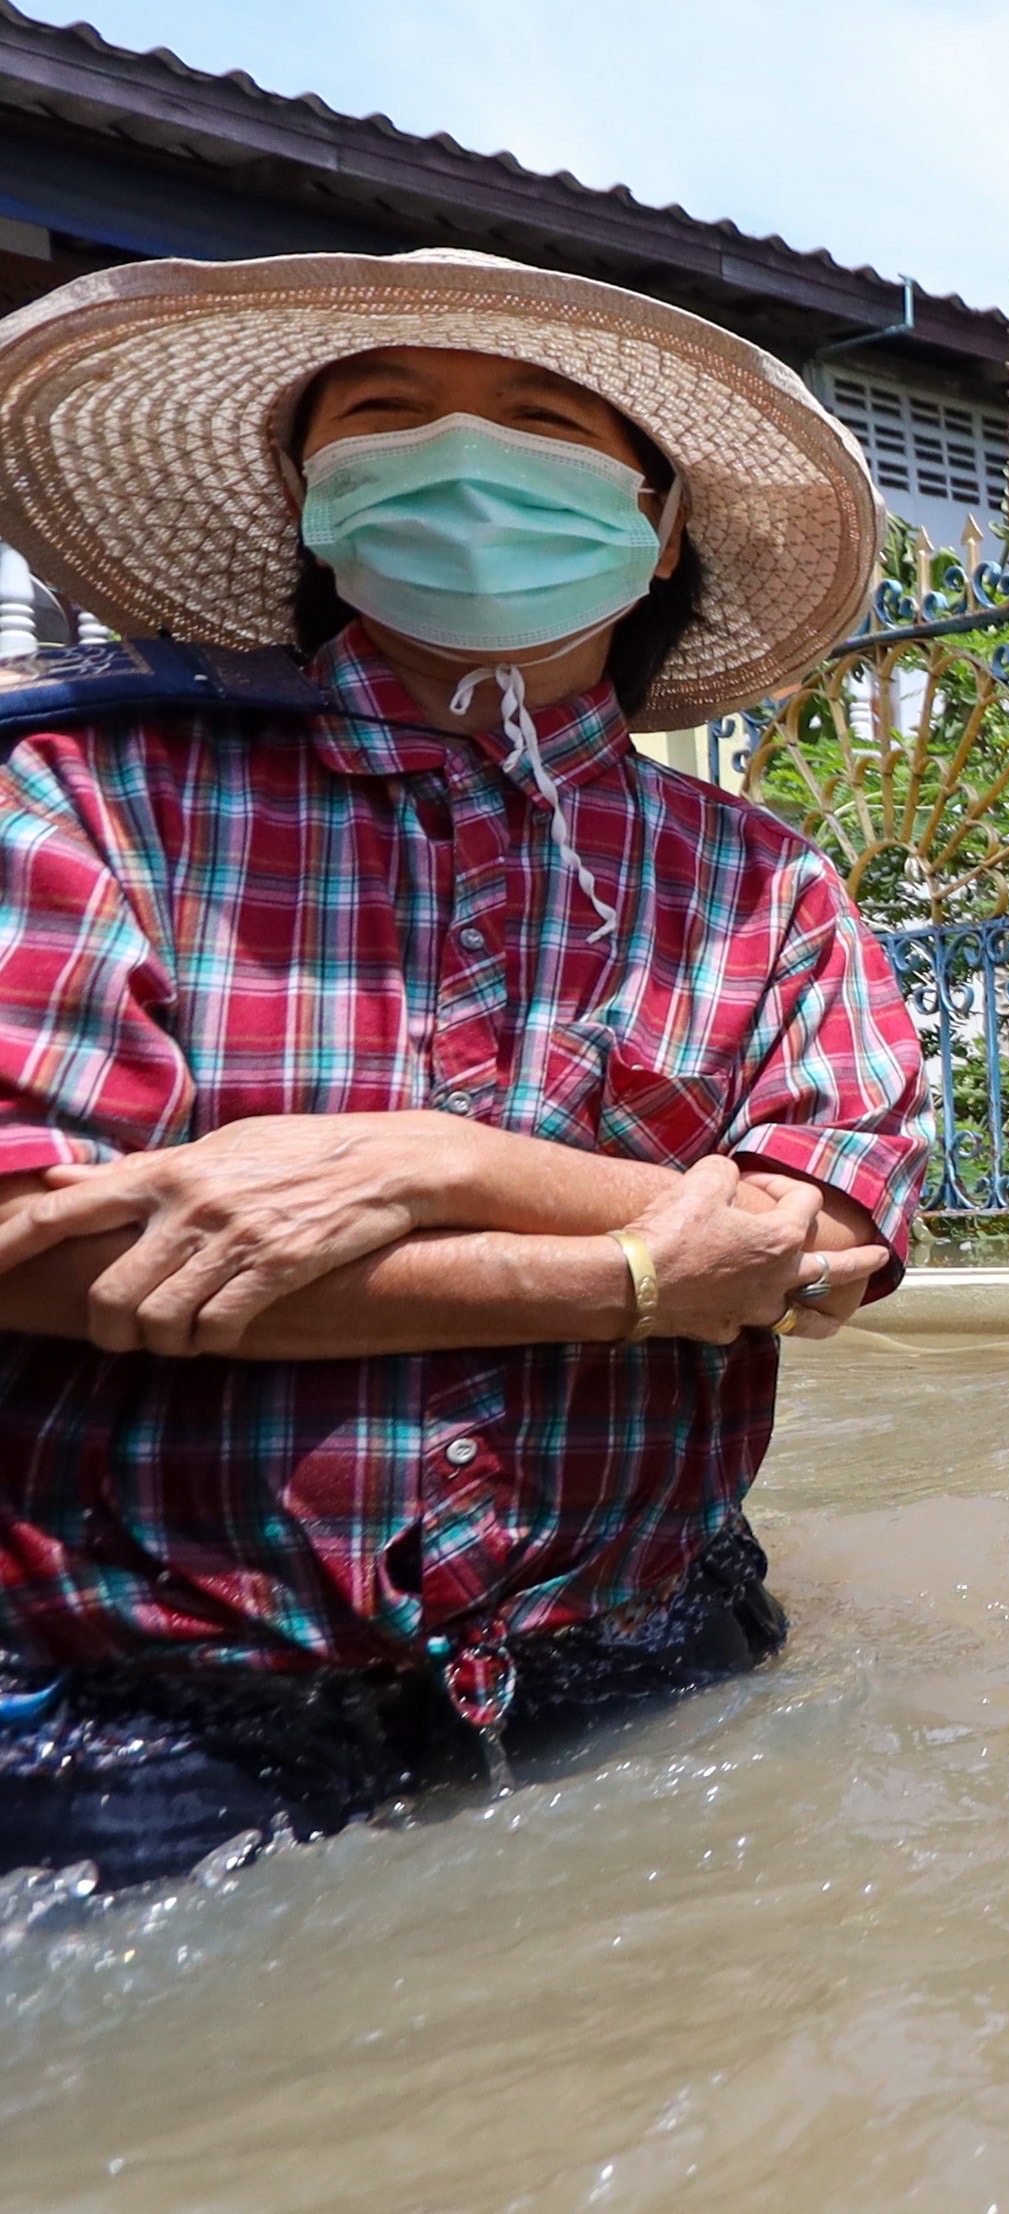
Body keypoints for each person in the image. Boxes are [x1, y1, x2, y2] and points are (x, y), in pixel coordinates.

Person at [0, 248, 921, 1885]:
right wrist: (641, 1268)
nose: (459, 458)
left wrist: (435, 1159)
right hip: (156, 1707)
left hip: (643, 1657)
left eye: (536, 419)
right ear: (310, 501)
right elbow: (39, 1240)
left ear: (654, 533)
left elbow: (830, 1241)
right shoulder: (91, 799)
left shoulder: (766, 883)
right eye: (386, 414)